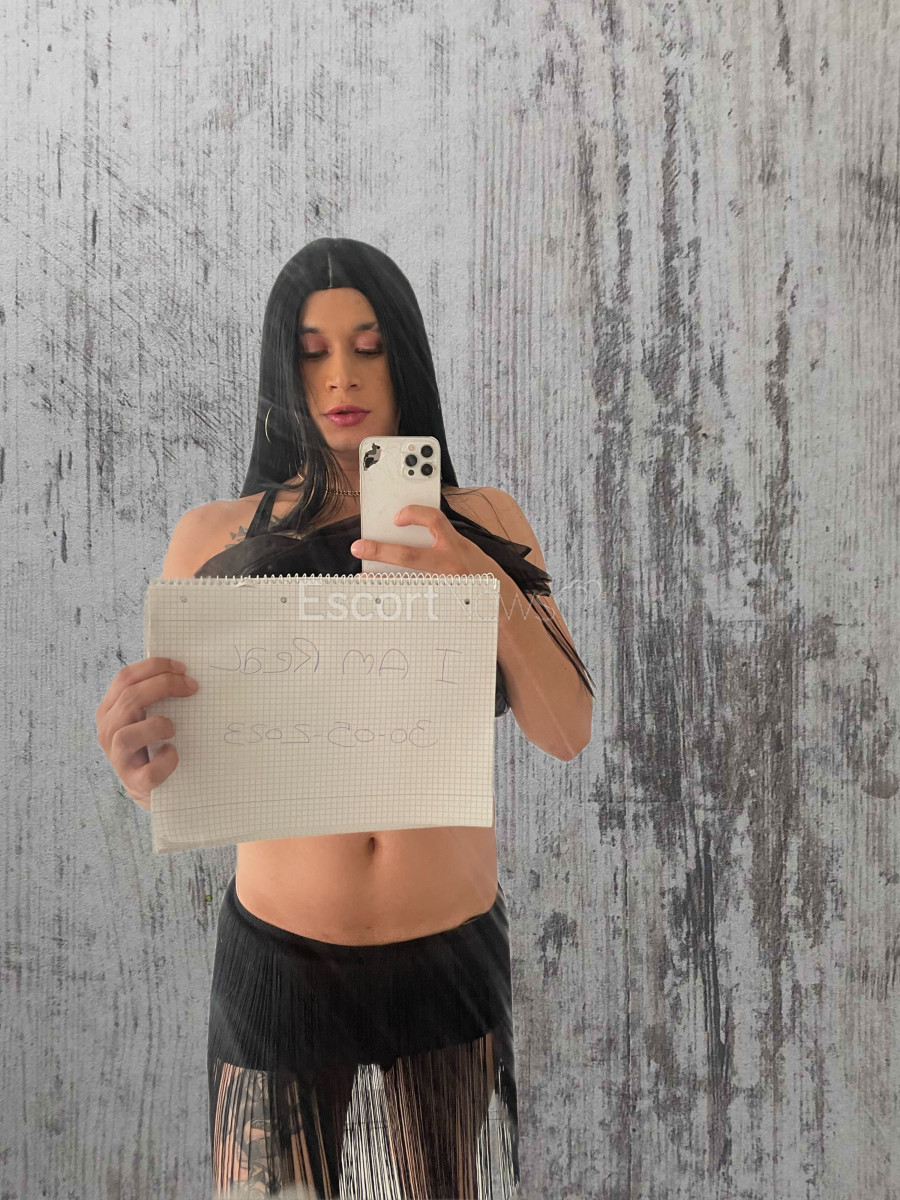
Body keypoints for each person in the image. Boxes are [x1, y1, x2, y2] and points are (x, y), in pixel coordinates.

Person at [95, 237, 595, 1198]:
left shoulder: (487, 519)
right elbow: (177, 768)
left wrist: (478, 576)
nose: (341, 377)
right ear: (282, 368)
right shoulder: (213, 535)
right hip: (280, 959)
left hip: (449, 952)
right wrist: (136, 761)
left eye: (368, 346)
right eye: (313, 350)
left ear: (405, 356)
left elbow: (567, 730)